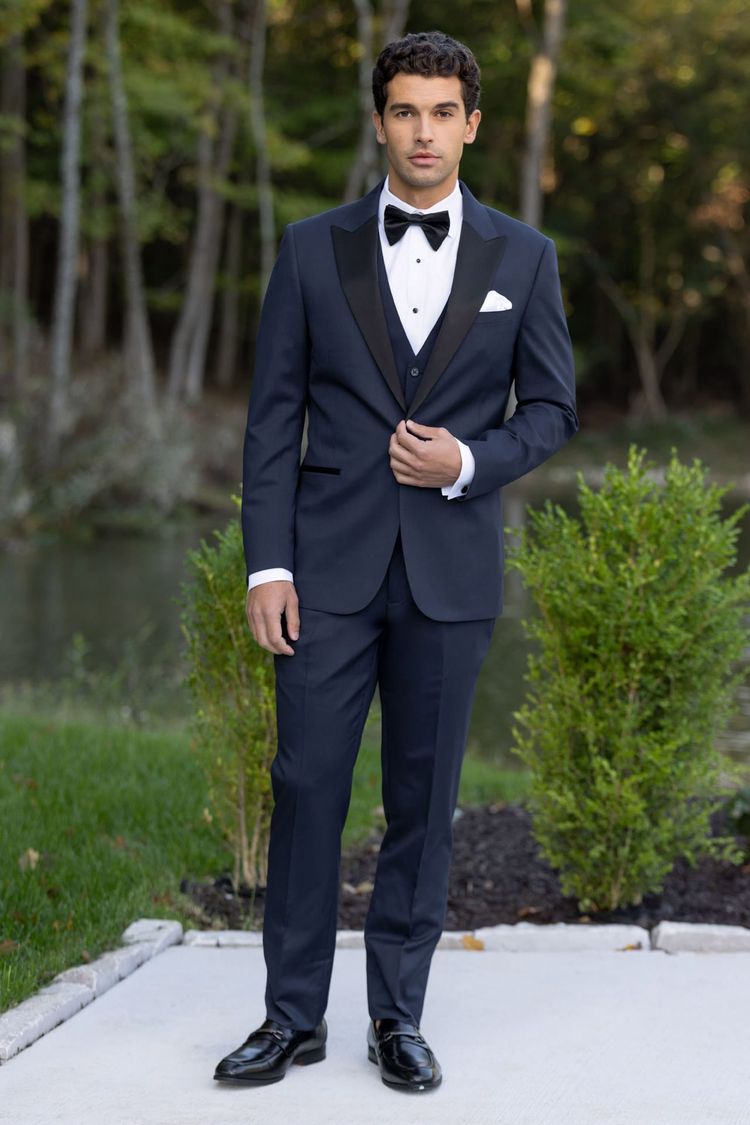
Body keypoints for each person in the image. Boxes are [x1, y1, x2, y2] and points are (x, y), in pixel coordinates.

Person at [214, 29, 577, 1093]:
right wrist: (264, 568)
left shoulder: (525, 258)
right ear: (381, 122)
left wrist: (470, 458)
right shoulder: (308, 248)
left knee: (423, 803)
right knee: (307, 787)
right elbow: (271, 422)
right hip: (322, 573)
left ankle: (397, 1019)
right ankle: (290, 1019)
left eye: (442, 113)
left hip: (451, 574)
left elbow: (552, 410)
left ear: (472, 124)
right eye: (404, 111)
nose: (424, 132)